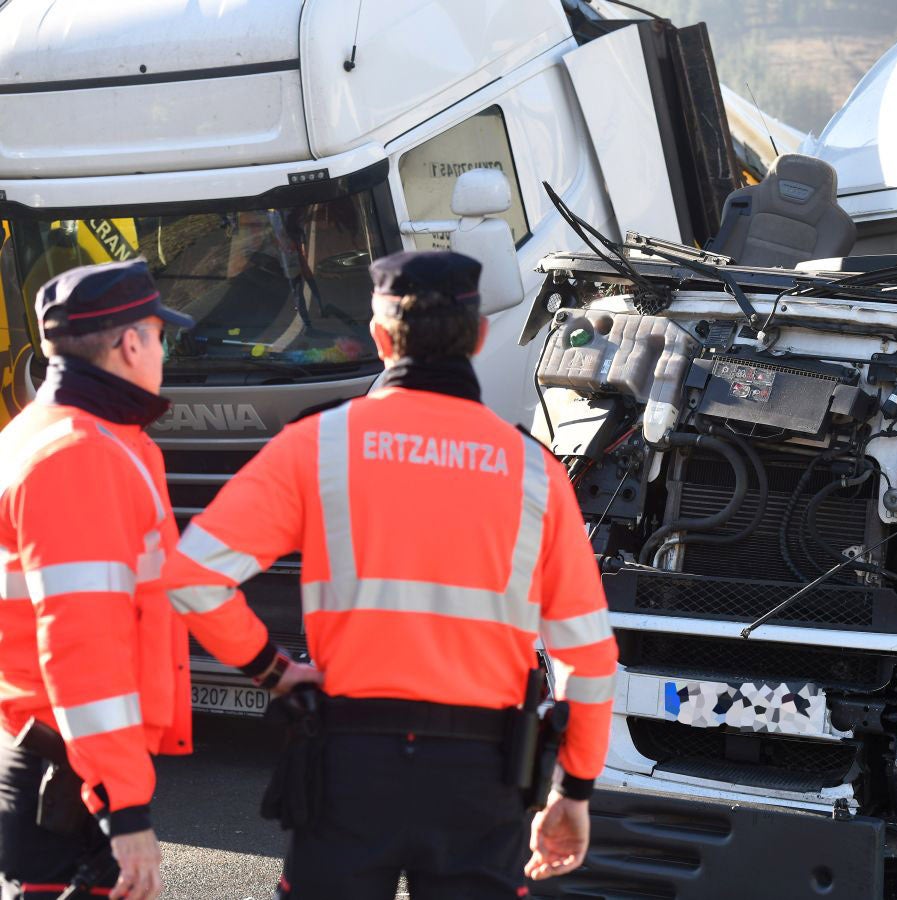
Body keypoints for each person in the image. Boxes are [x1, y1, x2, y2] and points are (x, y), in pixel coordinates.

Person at [162, 250, 618, 899]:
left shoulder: (316, 444)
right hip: (482, 779)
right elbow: (590, 655)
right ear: (480, 338)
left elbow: (191, 577)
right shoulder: (535, 472)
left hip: (347, 768)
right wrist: (574, 789)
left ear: (380, 338)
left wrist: (273, 671)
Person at [0, 260, 318, 900]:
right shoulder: (81, 456)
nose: (167, 351)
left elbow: (167, 582)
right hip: (70, 772)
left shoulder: (75, 436)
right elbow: (81, 648)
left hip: (66, 761)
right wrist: (125, 810)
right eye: (161, 334)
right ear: (129, 343)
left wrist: (269, 669)